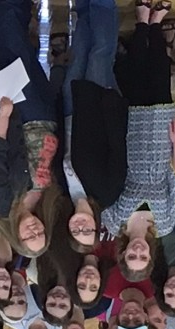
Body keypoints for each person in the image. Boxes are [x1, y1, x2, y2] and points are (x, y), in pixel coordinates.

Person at [103, 1, 175, 280]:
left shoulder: (113, 222)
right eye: (143, 257)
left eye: (132, 257)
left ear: (123, 253)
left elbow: (108, 182)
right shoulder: (165, 224)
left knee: (136, 81)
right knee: (160, 79)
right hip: (162, 146)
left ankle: (141, 22)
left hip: (131, 145)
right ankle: (156, 25)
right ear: (151, 255)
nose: (138, 251)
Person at [0, 0, 61, 258]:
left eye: (28, 237)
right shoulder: (47, 203)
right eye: (40, 233)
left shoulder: (0, 203)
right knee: (20, 50)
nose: (34, 230)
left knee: (11, 42)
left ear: (16, 236)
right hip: (46, 117)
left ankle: (12, 7)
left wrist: (4, 115)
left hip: (15, 116)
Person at [59, 0, 126, 255]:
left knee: (79, 53)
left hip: (72, 111)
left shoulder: (65, 193)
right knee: (100, 53)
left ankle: (84, 7)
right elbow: (117, 148)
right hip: (99, 108)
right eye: (87, 231)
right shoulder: (108, 194)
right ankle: (103, 5)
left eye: (76, 232)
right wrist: (110, 105)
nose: (81, 227)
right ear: (97, 226)